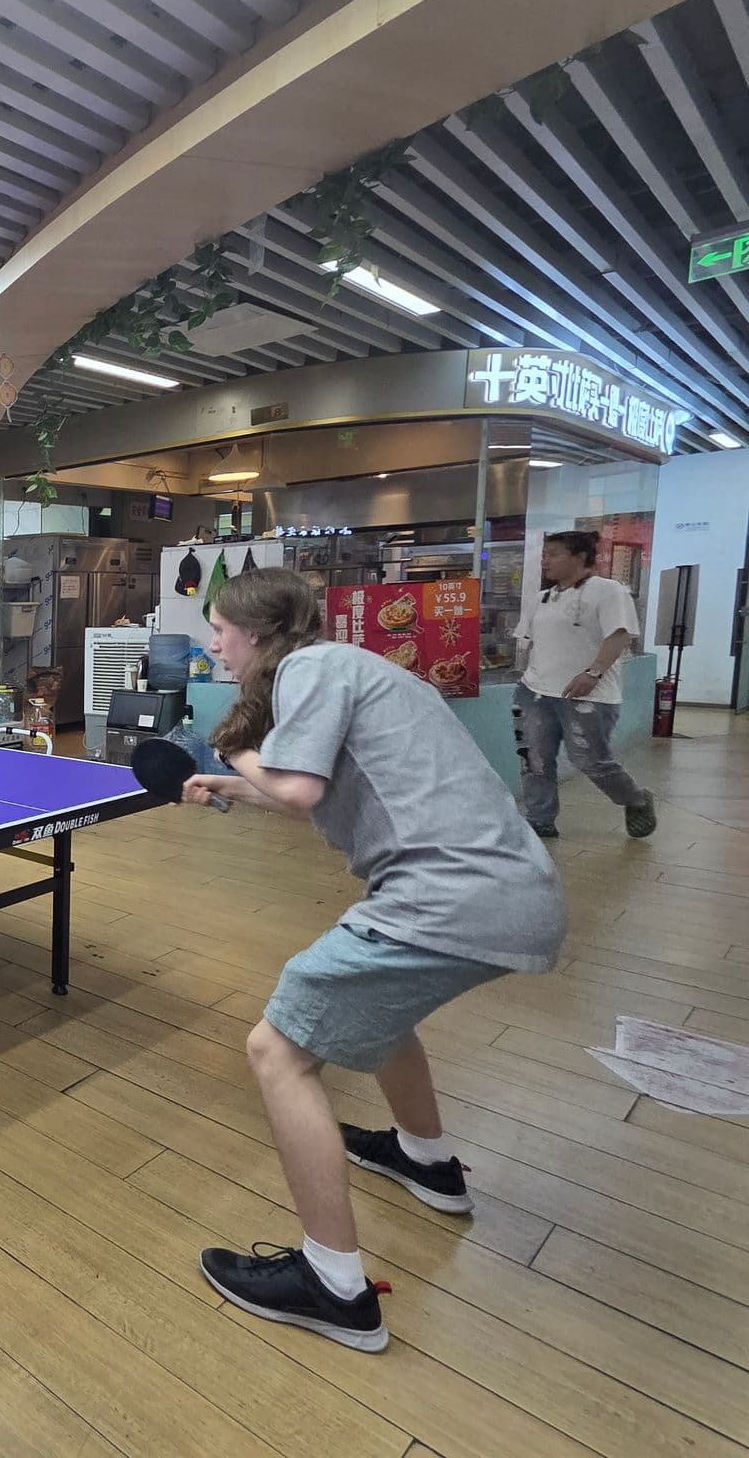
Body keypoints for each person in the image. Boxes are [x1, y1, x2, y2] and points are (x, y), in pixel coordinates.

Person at [180, 568, 563, 1353]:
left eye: (218, 628)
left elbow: (296, 792)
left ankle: (334, 1285)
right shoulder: (349, 666)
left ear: (254, 631)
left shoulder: (312, 667)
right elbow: (302, 790)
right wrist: (232, 782)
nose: (212, 643)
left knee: (276, 1051)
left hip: (449, 895)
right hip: (510, 889)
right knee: (385, 1012)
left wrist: (233, 751)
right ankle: (428, 1163)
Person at [514, 529, 655, 840]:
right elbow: (528, 642)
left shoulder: (608, 591)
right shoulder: (541, 598)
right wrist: (522, 676)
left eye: (554, 554)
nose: (545, 561)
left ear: (579, 557)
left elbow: (619, 635)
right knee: (533, 759)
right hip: (534, 693)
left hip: (588, 695)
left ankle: (636, 799)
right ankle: (540, 819)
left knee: (589, 760)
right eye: (545, 554)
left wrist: (593, 673)